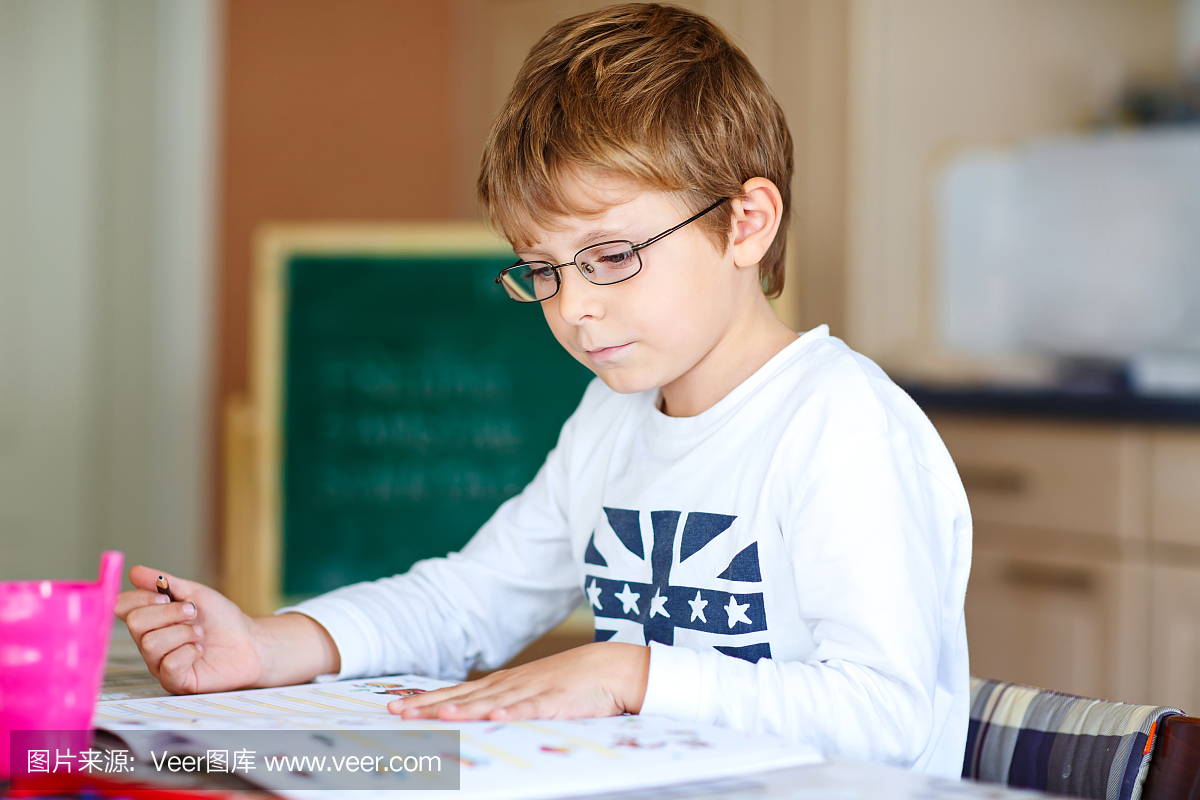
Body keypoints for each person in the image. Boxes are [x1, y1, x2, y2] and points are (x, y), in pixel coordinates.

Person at [116, 3, 972, 777]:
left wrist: (628, 673)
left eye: (610, 257)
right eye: (543, 271)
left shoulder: (840, 424)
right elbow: (471, 598)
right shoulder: (614, 415)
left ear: (745, 222)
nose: (575, 308)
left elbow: (885, 716)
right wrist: (270, 645)